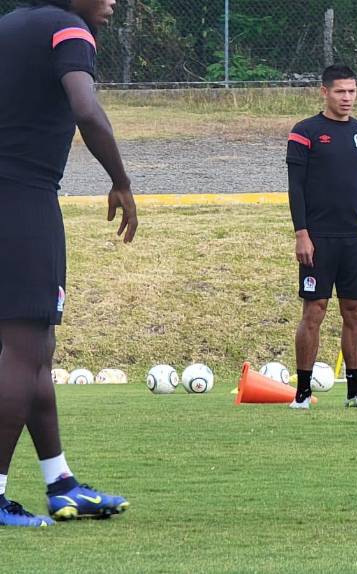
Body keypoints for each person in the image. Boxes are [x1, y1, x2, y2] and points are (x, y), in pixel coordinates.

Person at [0, 0, 137, 527]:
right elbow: (85, 108)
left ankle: (60, 483)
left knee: (34, 347)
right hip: (22, 201)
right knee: (26, 347)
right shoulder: (67, 28)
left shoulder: (10, 24)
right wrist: (121, 181)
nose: (112, 2)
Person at [287, 64, 357, 410]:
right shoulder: (305, 132)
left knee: (355, 312)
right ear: (324, 92)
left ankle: (356, 392)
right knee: (314, 310)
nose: (347, 98)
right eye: (340, 91)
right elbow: (295, 188)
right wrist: (302, 233)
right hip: (319, 237)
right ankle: (301, 393)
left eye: (352, 91)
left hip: (355, 238)